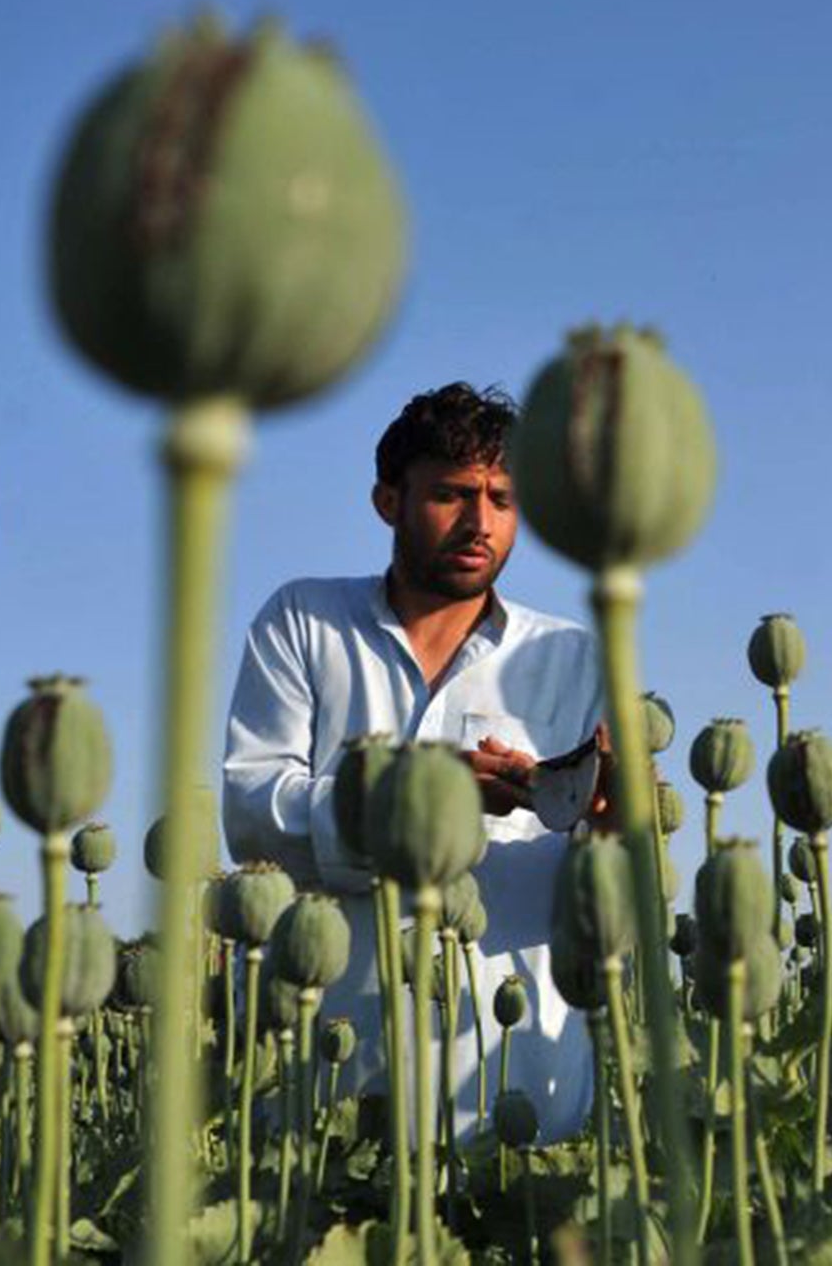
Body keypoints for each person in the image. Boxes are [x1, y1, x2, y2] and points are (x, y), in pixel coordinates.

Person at [221, 382, 604, 1139]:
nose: (480, 522)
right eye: (453, 494)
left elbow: (594, 871)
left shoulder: (571, 656)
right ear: (387, 501)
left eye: (502, 498)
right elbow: (251, 813)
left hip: (507, 1079)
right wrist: (417, 804)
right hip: (325, 1079)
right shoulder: (304, 621)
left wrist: (610, 818)